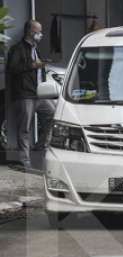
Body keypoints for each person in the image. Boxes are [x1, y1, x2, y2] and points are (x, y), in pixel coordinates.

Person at [6, 20, 55, 170]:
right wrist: (34, 65)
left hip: (39, 94)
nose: (40, 34)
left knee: (53, 114)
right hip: (25, 94)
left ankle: (39, 147)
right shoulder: (18, 49)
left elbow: (39, 70)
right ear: (30, 31)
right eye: (38, 31)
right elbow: (12, 68)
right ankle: (25, 162)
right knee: (24, 128)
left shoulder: (35, 49)